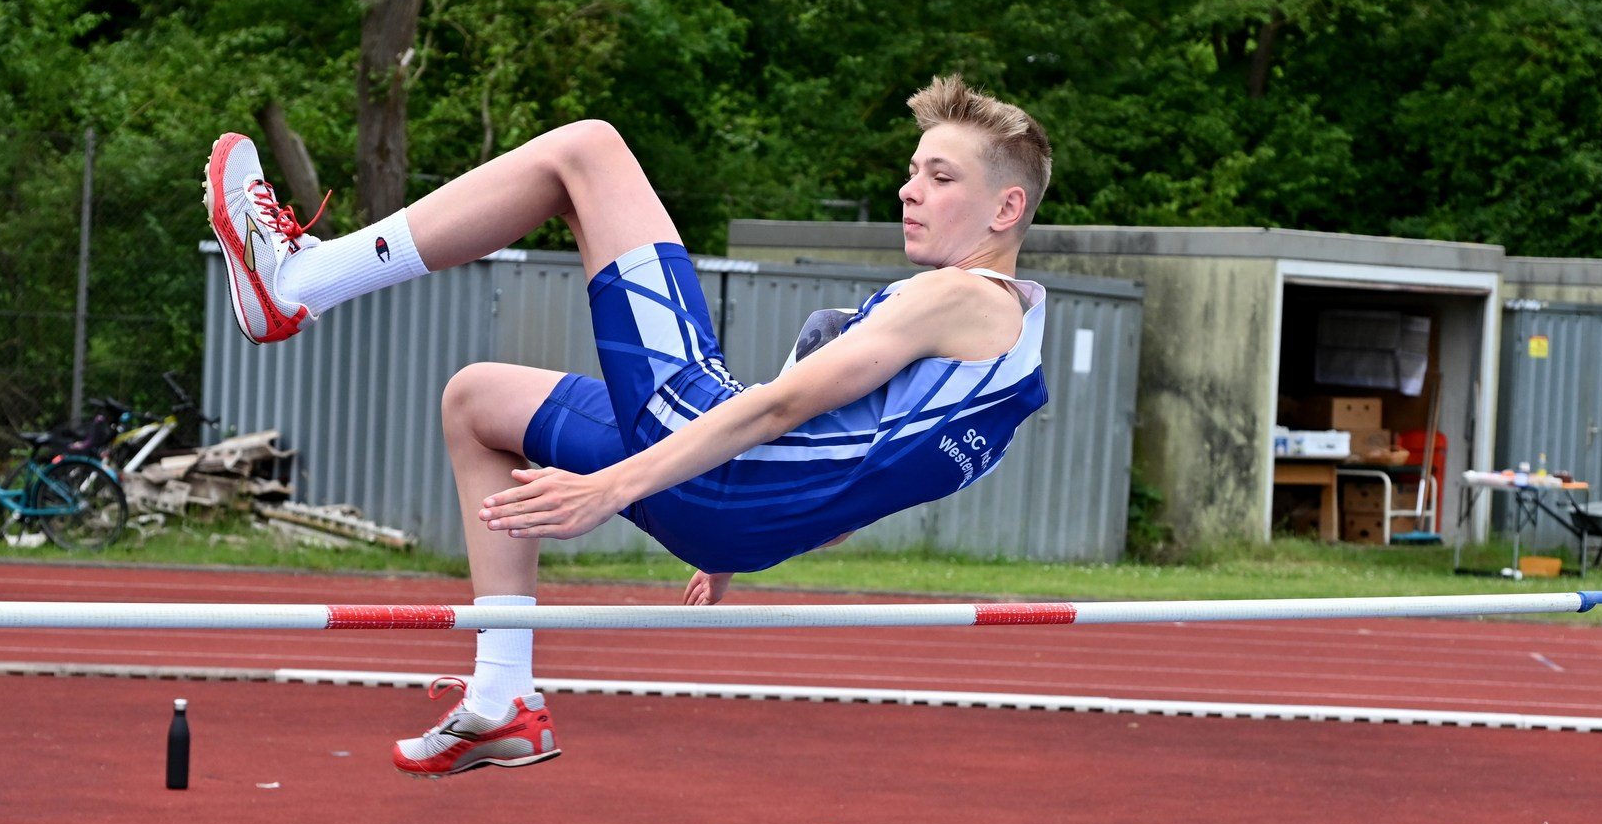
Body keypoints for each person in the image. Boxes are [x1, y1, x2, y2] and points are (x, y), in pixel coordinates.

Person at [204, 75, 1052, 778]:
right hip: (728, 508)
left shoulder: (957, 296)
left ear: (1006, 206)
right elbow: (860, 485)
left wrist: (612, 488)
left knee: (588, 150)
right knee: (477, 402)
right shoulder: (1013, 377)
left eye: (940, 176)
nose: (909, 189)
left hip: (706, 455)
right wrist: (730, 541)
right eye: (912, 169)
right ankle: (502, 694)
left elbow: (780, 407)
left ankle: (299, 282)